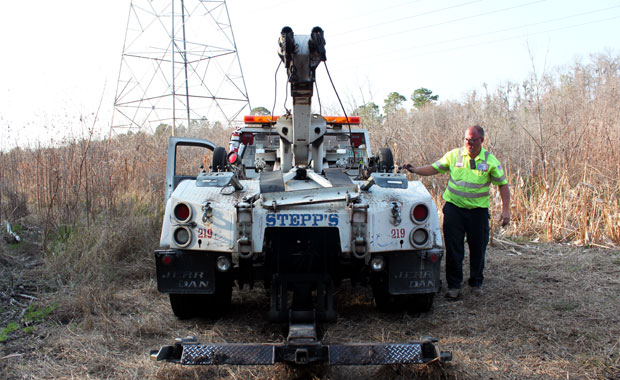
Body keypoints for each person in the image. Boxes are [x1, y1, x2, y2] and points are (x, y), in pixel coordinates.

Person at [404, 125, 510, 299]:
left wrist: (506, 211)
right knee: (454, 249)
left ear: (481, 140)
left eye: (473, 140)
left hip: (478, 213)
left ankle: (476, 283)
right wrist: (415, 170)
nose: (468, 143)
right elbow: (434, 168)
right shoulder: (454, 155)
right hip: (454, 210)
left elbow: (503, 186)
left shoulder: (490, 161)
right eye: (466, 139)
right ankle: (454, 286)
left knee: (478, 249)